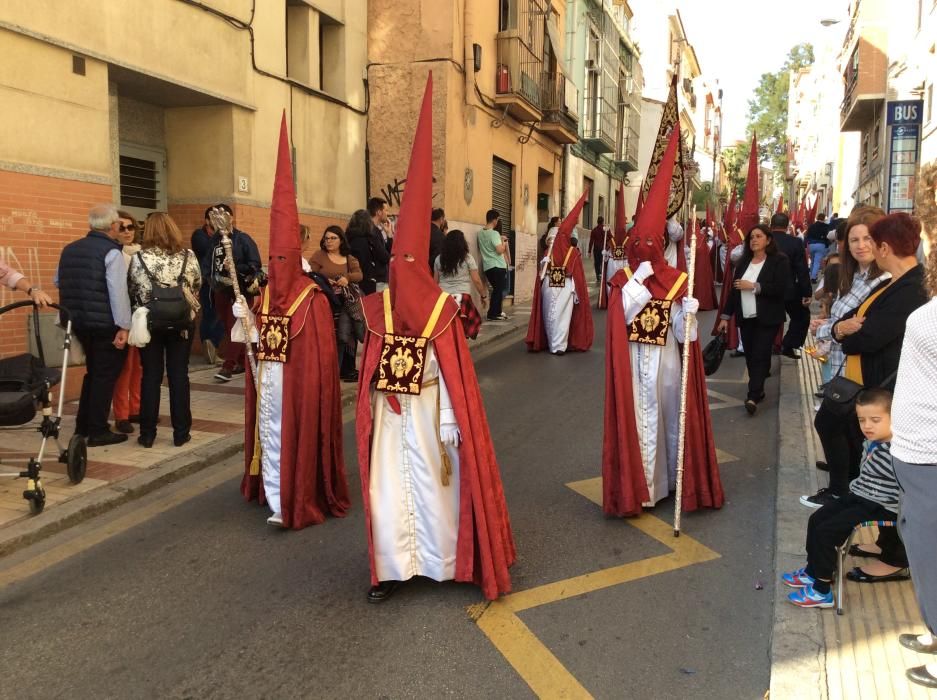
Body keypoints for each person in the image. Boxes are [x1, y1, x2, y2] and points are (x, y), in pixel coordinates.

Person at [356, 75, 514, 603]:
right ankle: (394, 566)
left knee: (434, 486)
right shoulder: (377, 308)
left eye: (407, 262)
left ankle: (444, 560)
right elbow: (369, 364)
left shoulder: (443, 311)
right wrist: (375, 395)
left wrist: (451, 415)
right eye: (393, 264)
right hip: (389, 415)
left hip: (431, 414)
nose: (399, 273)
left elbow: (452, 369)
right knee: (388, 488)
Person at [603, 125, 723, 515]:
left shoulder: (676, 282)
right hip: (635, 367)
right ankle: (640, 489)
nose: (641, 249)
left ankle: (671, 483)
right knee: (638, 425)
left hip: (668, 367)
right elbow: (618, 320)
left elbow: (681, 335)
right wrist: (635, 283)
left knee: (669, 421)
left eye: (648, 244)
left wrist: (688, 317)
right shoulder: (623, 280)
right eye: (636, 243)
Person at [238, 115, 351, 529]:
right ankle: (271, 488)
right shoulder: (265, 294)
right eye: (273, 260)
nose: (278, 267)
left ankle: (297, 492)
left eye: (283, 260)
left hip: (297, 390)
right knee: (270, 433)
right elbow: (255, 341)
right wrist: (244, 320)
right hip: (270, 383)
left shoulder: (313, 298)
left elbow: (320, 361)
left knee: (293, 435)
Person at [803, 212, 928, 508]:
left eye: (870, 240)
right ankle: (849, 485)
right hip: (862, 374)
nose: (863, 247)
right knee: (850, 432)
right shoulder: (893, 282)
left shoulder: (910, 286)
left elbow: (869, 336)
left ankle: (847, 491)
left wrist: (847, 335)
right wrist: (841, 328)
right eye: (855, 240)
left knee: (850, 430)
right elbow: (849, 318)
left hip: (879, 381)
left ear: (884, 247)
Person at [784, 389, 908, 609]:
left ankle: (822, 590)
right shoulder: (871, 441)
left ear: (895, 418)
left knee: (827, 531)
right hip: (861, 496)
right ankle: (813, 570)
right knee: (817, 519)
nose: (867, 426)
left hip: (880, 506)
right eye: (862, 420)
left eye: (875, 420)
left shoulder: (899, 450)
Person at [891, 178, 937, 686]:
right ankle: (934, 629)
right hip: (916, 451)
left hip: (931, 453)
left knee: (932, 551)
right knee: (918, 542)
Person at [57, 204, 131, 446]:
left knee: (93, 373)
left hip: (77, 320)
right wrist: (124, 326)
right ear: (113, 226)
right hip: (105, 323)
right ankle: (98, 429)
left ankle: (84, 424)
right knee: (105, 375)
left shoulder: (70, 249)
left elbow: (58, 280)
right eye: (119, 224)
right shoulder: (112, 253)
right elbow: (118, 293)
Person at [127, 212, 200, 448]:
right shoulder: (188, 255)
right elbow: (197, 283)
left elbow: (133, 289)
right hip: (182, 322)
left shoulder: (139, 257)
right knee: (179, 375)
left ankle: (147, 434)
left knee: (151, 376)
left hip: (150, 322)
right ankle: (181, 433)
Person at [717, 225, 792, 415]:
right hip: (746, 317)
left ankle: (753, 395)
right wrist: (725, 317)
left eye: (759, 236)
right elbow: (734, 291)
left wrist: (754, 286)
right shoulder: (744, 262)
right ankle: (758, 386)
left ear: (768, 240)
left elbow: (781, 288)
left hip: (768, 317)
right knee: (751, 355)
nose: (754, 240)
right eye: (751, 238)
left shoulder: (779, 260)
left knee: (760, 352)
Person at [525, 194, 594, 354]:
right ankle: (557, 345)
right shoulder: (564, 252)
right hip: (562, 288)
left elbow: (544, 275)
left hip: (554, 286)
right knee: (559, 316)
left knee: (554, 314)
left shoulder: (564, 253)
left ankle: (556, 344)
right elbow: (573, 276)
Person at [208, 204, 262, 382]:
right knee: (227, 326)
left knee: (236, 325)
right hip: (219, 290)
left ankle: (227, 367)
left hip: (239, 291)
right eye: (214, 218)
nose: (218, 221)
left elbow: (255, 264)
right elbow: (206, 263)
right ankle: (243, 361)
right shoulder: (213, 241)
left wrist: (235, 267)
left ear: (230, 218)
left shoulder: (243, 239)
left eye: (222, 217)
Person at [308, 225, 363, 382]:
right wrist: (324, 281)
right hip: (325, 301)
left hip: (345, 302)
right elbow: (311, 274)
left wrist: (347, 278)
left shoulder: (349, 258)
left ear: (341, 240)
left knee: (347, 335)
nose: (329, 241)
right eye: (326, 238)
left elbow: (359, 274)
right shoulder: (319, 256)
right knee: (331, 335)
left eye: (333, 238)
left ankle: (348, 369)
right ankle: (331, 369)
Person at [111, 211, 142, 434]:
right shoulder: (112, 254)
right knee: (123, 368)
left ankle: (136, 409)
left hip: (140, 316)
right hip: (121, 318)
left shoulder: (141, 254)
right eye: (121, 228)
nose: (127, 232)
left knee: (139, 367)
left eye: (130, 227)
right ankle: (121, 415)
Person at [768, 213, 812, 358]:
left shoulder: (764, 240)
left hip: (765, 289)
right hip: (789, 290)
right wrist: (807, 292)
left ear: (771, 225)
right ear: (787, 226)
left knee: (767, 324)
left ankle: (764, 358)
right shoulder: (795, 242)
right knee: (801, 317)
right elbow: (802, 269)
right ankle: (788, 345)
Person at [434, 229, 487, 339]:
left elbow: (435, 282)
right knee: (463, 327)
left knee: (446, 329)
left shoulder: (439, 259)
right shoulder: (467, 258)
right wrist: (483, 296)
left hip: (444, 298)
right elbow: (476, 280)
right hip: (463, 299)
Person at [190, 208, 224, 365]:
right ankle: (209, 346)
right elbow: (208, 250)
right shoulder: (199, 235)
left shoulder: (223, 235)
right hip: (207, 282)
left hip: (222, 281)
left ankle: (214, 346)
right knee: (210, 314)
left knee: (222, 316)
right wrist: (219, 234)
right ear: (207, 220)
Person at [478, 209, 510, 321]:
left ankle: (497, 312)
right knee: (498, 290)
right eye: (498, 219)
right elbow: (499, 250)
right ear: (495, 220)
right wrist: (504, 243)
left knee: (496, 289)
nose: (498, 222)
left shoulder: (480, 233)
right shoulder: (494, 233)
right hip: (498, 265)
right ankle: (493, 313)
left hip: (487, 267)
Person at [346, 208, 387, 295]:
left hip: (351, 282)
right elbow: (384, 257)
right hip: (366, 283)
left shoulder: (348, 239)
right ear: (367, 223)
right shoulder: (367, 241)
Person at [369, 197, 392, 290]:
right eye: (386, 210)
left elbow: (386, 252)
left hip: (379, 279)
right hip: (377, 281)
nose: (388, 214)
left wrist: (389, 234)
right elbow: (385, 257)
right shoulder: (372, 231)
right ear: (379, 212)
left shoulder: (376, 230)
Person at [806, 212, 831, 282]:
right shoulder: (826, 226)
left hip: (811, 245)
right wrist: (827, 245)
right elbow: (827, 237)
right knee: (817, 261)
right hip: (821, 245)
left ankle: (811, 275)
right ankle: (813, 278)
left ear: (817, 218)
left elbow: (807, 236)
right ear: (824, 218)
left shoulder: (811, 226)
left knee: (813, 261)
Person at [587, 216, 609, 282]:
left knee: (597, 263)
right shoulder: (606, 229)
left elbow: (591, 241)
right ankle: (603, 275)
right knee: (604, 262)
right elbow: (610, 238)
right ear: (603, 221)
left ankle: (598, 275)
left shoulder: (594, 230)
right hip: (604, 249)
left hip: (596, 249)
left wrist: (589, 251)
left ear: (597, 221)